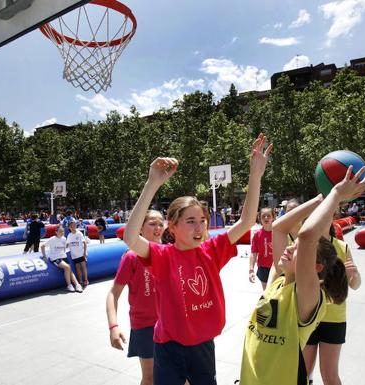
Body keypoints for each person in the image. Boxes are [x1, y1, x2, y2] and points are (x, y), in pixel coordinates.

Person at [123, 133, 272, 385]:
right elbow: (130, 237)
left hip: (202, 346)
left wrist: (255, 175)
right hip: (168, 347)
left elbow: (246, 221)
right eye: (191, 221)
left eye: (202, 221)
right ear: (173, 227)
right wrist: (152, 184)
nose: (199, 227)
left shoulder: (212, 250)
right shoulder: (162, 256)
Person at [240, 165, 365, 385]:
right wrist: (321, 199)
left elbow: (308, 235)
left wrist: (336, 194)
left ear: (316, 267)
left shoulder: (308, 298)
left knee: (329, 374)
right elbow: (280, 228)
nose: (290, 248)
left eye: (299, 248)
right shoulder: (278, 280)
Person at [106, 210, 165, 385]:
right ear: (139, 228)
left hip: (170, 323)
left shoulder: (169, 251)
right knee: (150, 378)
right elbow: (113, 293)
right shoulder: (131, 257)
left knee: (181, 374)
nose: (158, 228)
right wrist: (113, 326)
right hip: (146, 326)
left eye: (161, 223)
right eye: (152, 223)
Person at [303, 224, 362, 385]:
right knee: (304, 371)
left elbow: (355, 285)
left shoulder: (342, 247)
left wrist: (354, 275)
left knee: (329, 374)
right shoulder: (305, 246)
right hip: (309, 316)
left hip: (334, 318)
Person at [40, 225, 82, 293]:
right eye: (60, 231)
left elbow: (64, 248)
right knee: (67, 267)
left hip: (63, 256)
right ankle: (69, 285)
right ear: (56, 232)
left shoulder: (64, 238)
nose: (62, 233)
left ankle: (77, 284)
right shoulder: (52, 239)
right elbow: (42, 246)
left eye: (63, 231)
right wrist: (44, 256)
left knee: (70, 270)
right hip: (55, 257)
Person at [249, 207, 275, 290]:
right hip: (263, 268)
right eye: (263, 216)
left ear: (273, 217)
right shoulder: (257, 235)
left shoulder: (278, 233)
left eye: (268, 216)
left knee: (276, 292)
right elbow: (253, 253)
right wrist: (251, 269)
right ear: (260, 219)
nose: (266, 218)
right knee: (266, 292)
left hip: (276, 267)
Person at [67, 220, 89, 286]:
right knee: (78, 268)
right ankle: (80, 281)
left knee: (83, 267)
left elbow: (84, 243)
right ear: (69, 228)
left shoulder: (79, 233)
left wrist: (84, 252)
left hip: (81, 253)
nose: (73, 227)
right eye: (71, 226)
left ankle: (86, 280)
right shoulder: (69, 235)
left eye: (74, 226)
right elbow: (67, 244)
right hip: (74, 255)